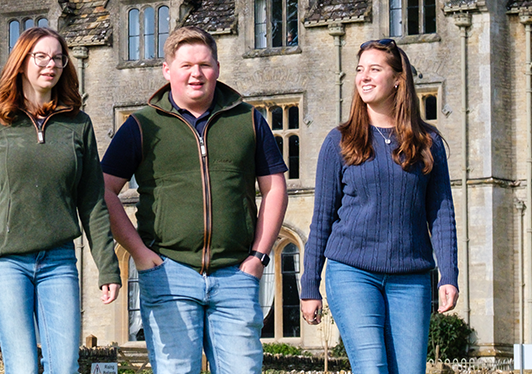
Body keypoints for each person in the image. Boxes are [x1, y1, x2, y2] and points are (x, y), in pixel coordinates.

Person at [101, 26, 289, 374]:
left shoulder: (248, 120)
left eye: (204, 64)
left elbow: (275, 187)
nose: (196, 73)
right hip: (169, 274)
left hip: (236, 274)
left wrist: (259, 257)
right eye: (186, 65)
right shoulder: (141, 125)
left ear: (217, 67)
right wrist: (141, 254)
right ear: (167, 70)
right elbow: (103, 190)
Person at [0, 26, 121, 374]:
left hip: (58, 262)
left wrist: (108, 266)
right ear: (22, 62)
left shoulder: (79, 125)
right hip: (6, 263)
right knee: (24, 367)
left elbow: (92, 201)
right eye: (41, 56)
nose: (51, 64)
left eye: (58, 58)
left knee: (65, 368)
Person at [299, 39, 459, 374]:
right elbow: (323, 218)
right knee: (372, 367)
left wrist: (449, 275)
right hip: (352, 272)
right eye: (360, 70)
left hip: (411, 277)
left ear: (398, 79)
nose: (364, 77)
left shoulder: (427, 144)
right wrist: (310, 284)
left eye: (375, 69)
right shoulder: (339, 142)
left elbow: (441, 213)